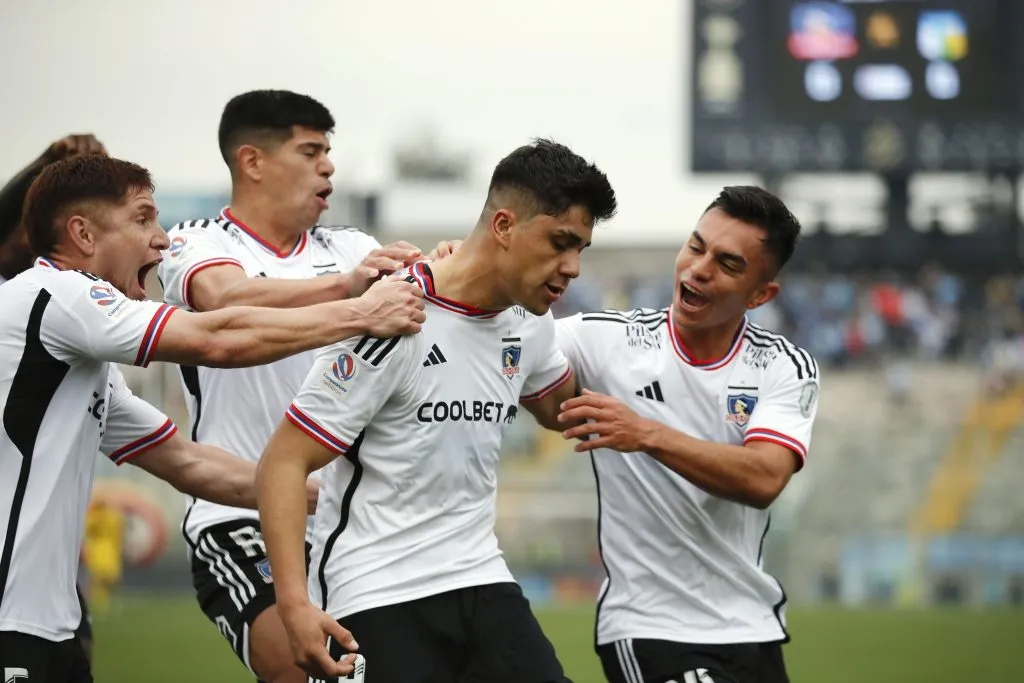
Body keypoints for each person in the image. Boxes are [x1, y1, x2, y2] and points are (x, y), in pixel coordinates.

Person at [0, 154, 425, 683]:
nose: (161, 239)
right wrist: (363, 312)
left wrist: (346, 491)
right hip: (10, 622)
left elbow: (191, 465)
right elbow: (215, 338)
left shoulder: (83, 361)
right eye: (141, 218)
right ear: (83, 235)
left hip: (49, 627)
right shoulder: (55, 294)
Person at [256, 138, 617, 683]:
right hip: (377, 588)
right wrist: (294, 605)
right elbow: (283, 463)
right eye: (561, 242)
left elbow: (555, 406)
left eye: (581, 249)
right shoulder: (393, 316)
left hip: (478, 575)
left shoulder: (528, 320)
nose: (572, 268)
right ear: (503, 226)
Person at [157, 88, 450, 683]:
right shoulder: (195, 244)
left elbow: (431, 312)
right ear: (253, 162)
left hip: (349, 521)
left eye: (328, 151)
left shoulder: (353, 248)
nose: (328, 166)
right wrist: (349, 291)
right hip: (239, 518)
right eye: (310, 150)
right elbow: (225, 301)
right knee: (315, 674)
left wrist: (450, 270)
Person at [554, 186, 820, 683]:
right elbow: (512, 338)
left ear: (761, 295)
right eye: (695, 247)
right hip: (650, 625)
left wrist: (646, 434)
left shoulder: (783, 366)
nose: (698, 268)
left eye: (728, 264)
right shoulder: (603, 340)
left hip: (752, 627)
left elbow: (764, 478)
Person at [0, 134, 109, 664]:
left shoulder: (76, 345)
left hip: (47, 602)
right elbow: (212, 339)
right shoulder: (31, 300)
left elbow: (180, 457)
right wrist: (43, 166)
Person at [81, 499, 125, 613]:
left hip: (99, 548)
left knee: (100, 578)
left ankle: (102, 602)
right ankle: (104, 602)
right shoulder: (113, 516)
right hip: (109, 548)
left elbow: (87, 530)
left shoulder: (95, 517)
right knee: (104, 578)